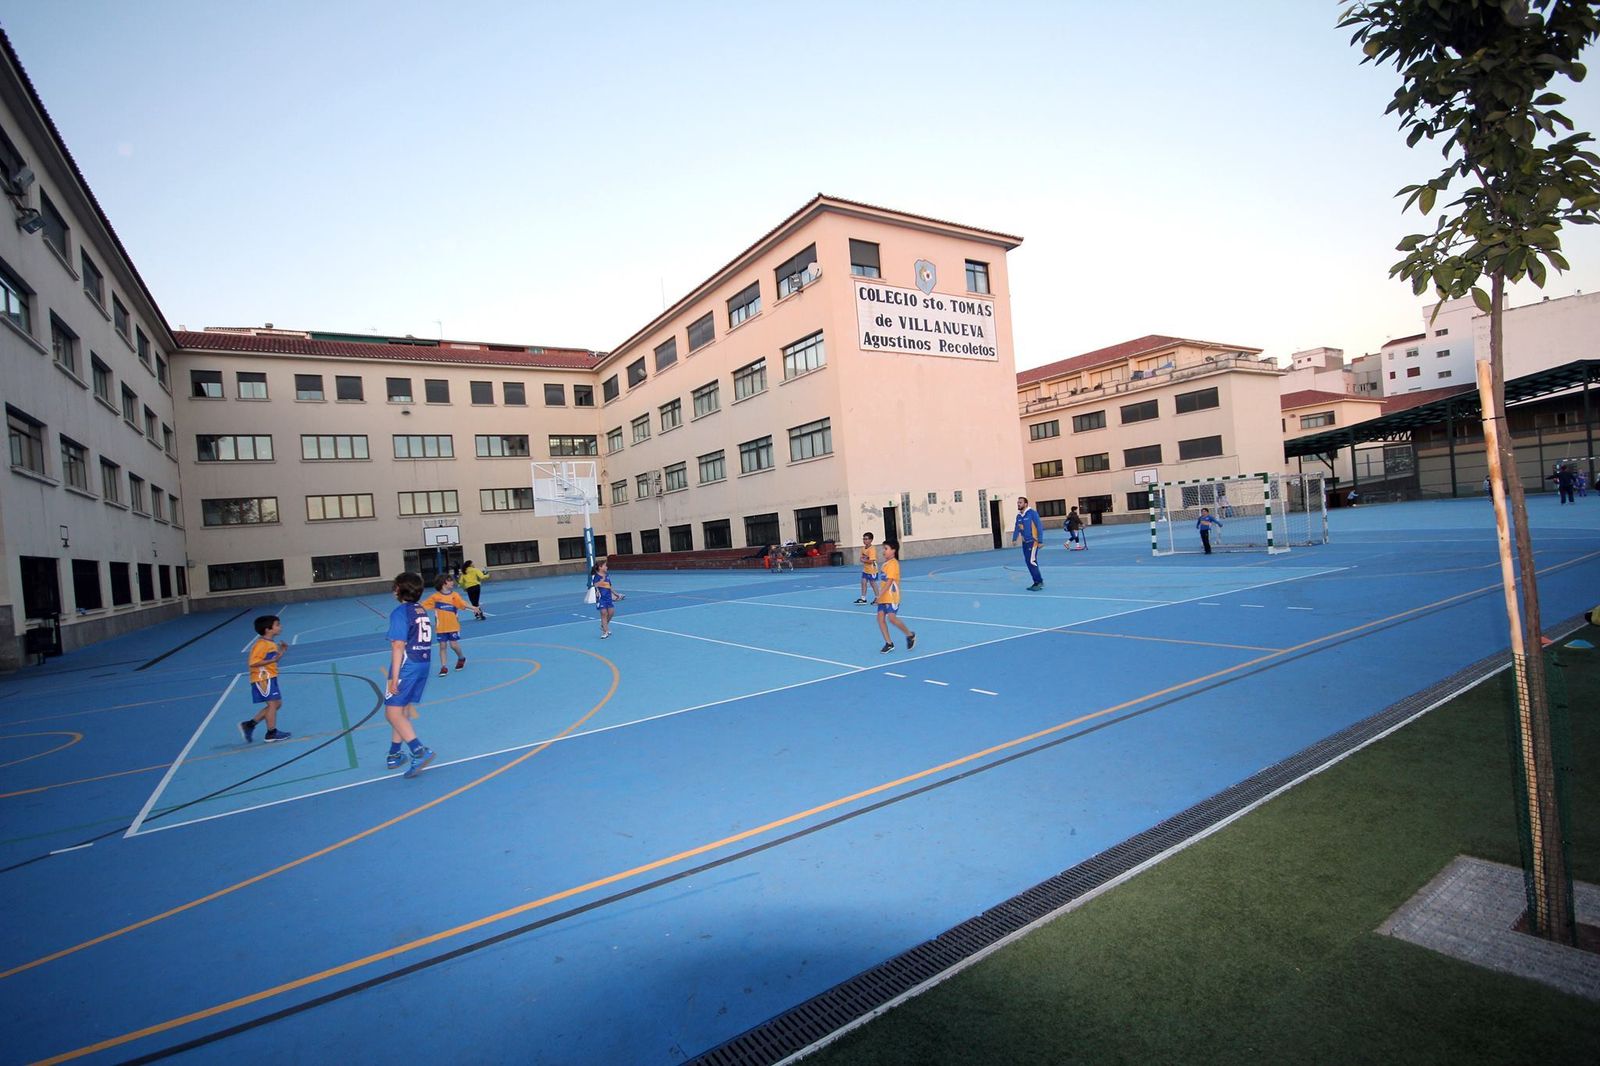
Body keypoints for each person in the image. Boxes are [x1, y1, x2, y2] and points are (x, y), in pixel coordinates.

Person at [384, 572, 436, 778]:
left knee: (392, 713)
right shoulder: (420, 609)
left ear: (400, 589)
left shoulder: (400, 612)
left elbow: (398, 645)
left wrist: (394, 676)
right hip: (423, 662)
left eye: (395, 586)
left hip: (408, 665)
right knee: (402, 709)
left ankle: (418, 750)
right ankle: (394, 754)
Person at [239, 615, 292, 743]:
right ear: (268, 629)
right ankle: (271, 733)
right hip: (263, 678)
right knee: (273, 704)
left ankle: (249, 725)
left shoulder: (270, 643)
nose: (280, 627)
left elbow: (274, 659)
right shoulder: (261, 644)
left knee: (277, 704)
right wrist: (271, 660)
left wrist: (282, 651)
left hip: (270, 677)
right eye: (277, 624)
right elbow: (253, 662)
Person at [421, 573, 480, 676]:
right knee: (442, 646)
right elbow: (423, 605)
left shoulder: (454, 596)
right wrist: (410, 605)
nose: (453, 582)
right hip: (441, 628)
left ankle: (461, 658)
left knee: (453, 645)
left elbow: (463, 604)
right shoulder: (435, 597)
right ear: (444, 583)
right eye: (450, 580)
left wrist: (473, 607)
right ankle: (444, 667)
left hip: (453, 626)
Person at [874, 541, 916, 654]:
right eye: (883, 548)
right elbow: (882, 582)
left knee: (891, 618)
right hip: (883, 597)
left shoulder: (893, 564)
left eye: (886, 548)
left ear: (893, 550)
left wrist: (879, 595)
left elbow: (889, 582)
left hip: (891, 596)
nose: (884, 551)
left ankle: (910, 635)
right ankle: (889, 643)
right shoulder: (884, 564)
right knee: (880, 618)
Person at [1012, 496, 1044, 590]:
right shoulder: (1019, 516)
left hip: (1033, 542)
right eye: (1018, 502)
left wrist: (1040, 541)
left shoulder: (1032, 514)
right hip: (1025, 543)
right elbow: (1017, 528)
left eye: (1020, 502)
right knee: (1028, 562)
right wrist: (1014, 538)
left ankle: (1038, 582)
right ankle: (1037, 581)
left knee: (1031, 561)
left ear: (1025, 504)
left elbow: (1039, 527)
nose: (1018, 504)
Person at [591, 560, 623, 638]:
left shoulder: (607, 575)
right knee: (604, 613)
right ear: (600, 567)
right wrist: (602, 579)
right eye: (605, 566)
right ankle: (605, 631)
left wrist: (616, 594)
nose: (607, 567)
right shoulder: (596, 576)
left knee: (611, 612)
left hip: (608, 597)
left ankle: (603, 625)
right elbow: (595, 585)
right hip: (601, 598)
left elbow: (609, 586)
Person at [855, 532, 879, 604]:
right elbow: (862, 557)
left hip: (872, 569)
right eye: (863, 539)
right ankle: (863, 598)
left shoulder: (872, 549)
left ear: (871, 540)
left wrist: (864, 560)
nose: (864, 540)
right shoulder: (863, 549)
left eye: (866, 539)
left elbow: (871, 561)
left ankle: (878, 598)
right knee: (863, 582)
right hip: (865, 569)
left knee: (872, 583)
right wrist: (863, 559)